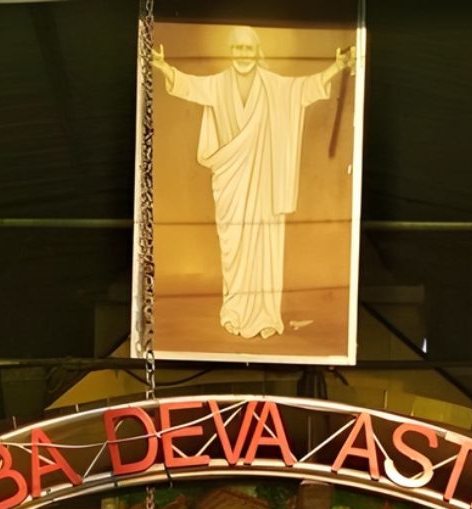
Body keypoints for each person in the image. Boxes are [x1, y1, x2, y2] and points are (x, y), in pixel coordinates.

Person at [152, 27, 355, 339]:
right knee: (233, 248)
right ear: (231, 52)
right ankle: (234, 309)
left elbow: (303, 89)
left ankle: (264, 315)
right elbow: (189, 86)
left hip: (265, 183)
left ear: (257, 52)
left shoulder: (274, 86)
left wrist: (337, 67)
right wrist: (164, 67)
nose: (243, 54)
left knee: (265, 245)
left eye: (249, 48)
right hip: (230, 181)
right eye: (238, 48)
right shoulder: (218, 85)